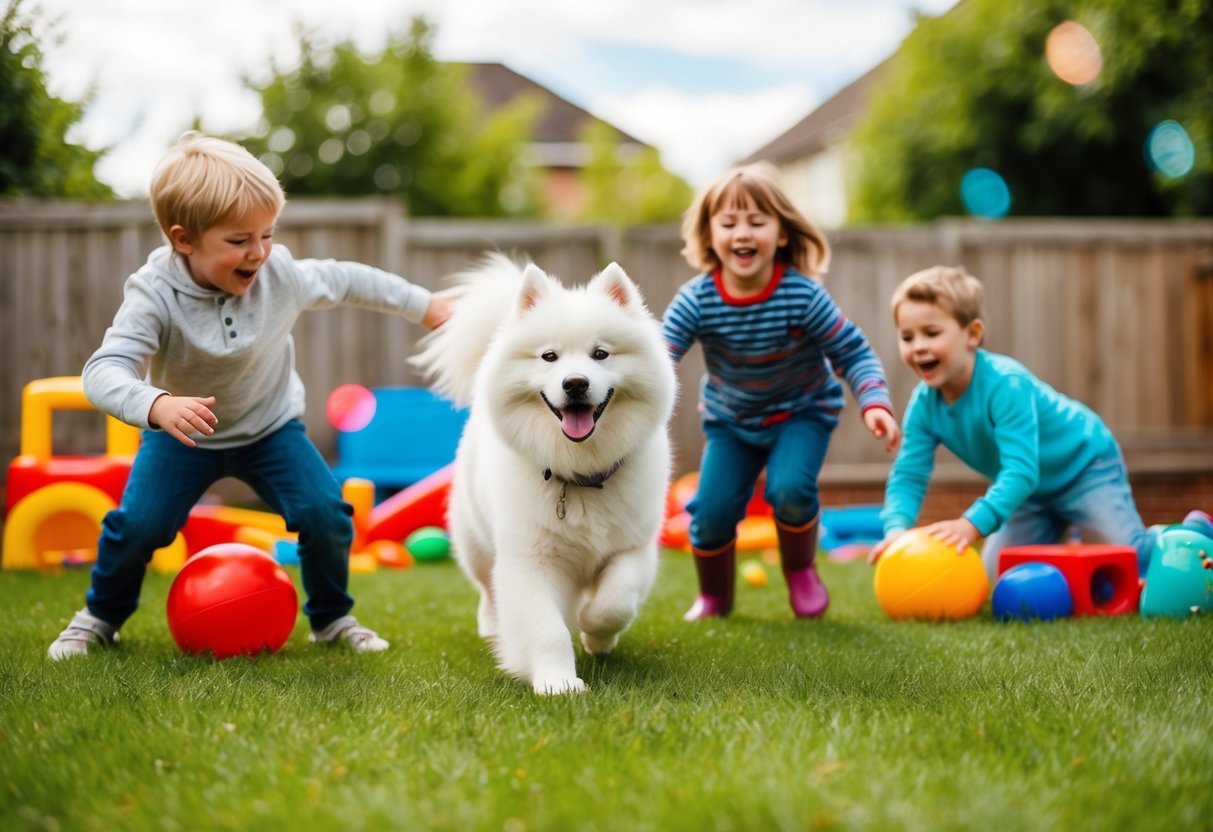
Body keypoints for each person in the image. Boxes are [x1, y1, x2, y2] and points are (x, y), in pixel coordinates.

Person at [48, 131, 452, 660]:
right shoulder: (155, 292)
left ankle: (331, 619)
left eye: (267, 234)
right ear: (184, 239)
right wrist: (156, 404)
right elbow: (104, 370)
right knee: (139, 525)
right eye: (239, 240)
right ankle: (100, 616)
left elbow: (350, 280)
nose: (259, 253)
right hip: (183, 436)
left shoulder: (278, 273)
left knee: (326, 514)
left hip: (269, 430)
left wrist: (425, 306)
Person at [662, 163, 901, 621]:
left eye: (757, 222)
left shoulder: (801, 296)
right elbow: (659, 355)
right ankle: (715, 596)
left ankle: (800, 570)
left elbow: (853, 352)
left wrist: (875, 403)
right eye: (729, 223)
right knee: (710, 513)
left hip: (802, 413)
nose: (742, 234)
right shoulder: (696, 299)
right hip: (731, 423)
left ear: (783, 234)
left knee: (790, 488)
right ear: (710, 236)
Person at [870, 265, 1156, 578]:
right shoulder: (924, 405)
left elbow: (1021, 469)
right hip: (1029, 496)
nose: (918, 346)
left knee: (1132, 561)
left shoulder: (1006, 384)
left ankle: (1192, 534)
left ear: (973, 334)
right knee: (995, 574)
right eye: (907, 337)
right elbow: (909, 472)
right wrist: (896, 529)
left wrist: (970, 524)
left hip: (1084, 468)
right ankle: (1062, 535)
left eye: (932, 333)